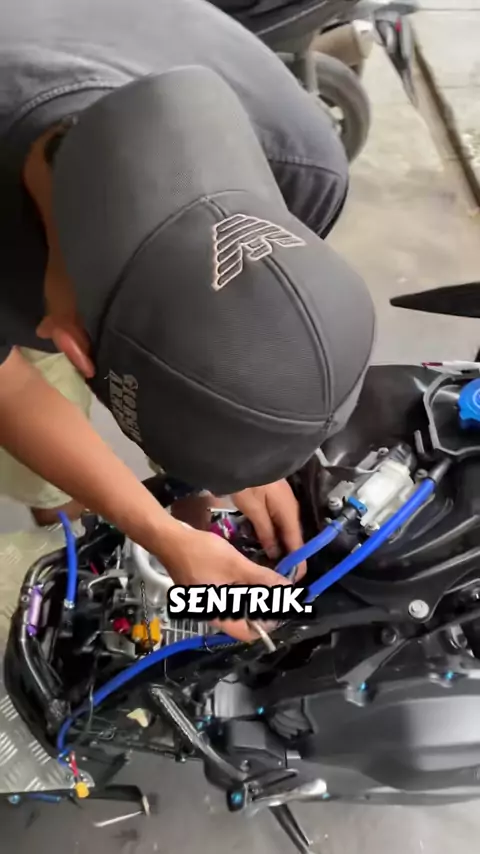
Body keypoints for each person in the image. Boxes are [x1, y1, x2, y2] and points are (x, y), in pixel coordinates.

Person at [0, 0, 375, 638]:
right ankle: (65, 519)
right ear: (73, 346)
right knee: (48, 474)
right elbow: (9, 388)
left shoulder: (302, 164)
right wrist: (156, 530)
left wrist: (254, 449)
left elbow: (264, 319)